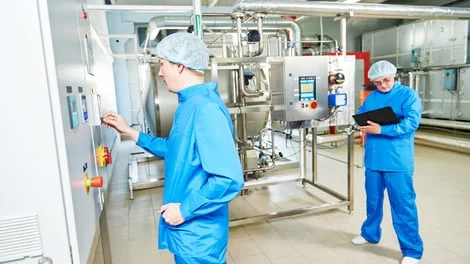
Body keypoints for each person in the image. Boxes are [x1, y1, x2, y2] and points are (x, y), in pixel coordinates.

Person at [102, 32, 244, 264]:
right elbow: (175, 150)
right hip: (187, 232)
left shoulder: (205, 108)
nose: (159, 72)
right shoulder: (188, 103)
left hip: (198, 236)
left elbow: (228, 179)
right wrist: (129, 131)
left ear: (179, 66)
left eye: (162, 64)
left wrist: (185, 210)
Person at [352, 60, 424, 264]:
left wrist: (382, 130)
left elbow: (411, 123)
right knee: (373, 202)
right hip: (374, 160)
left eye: (386, 80)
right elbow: (362, 115)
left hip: (397, 161)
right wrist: (358, 123)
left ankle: (411, 250)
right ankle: (370, 234)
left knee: (403, 205)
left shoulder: (408, 95)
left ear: (394, 77)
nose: (383, 85)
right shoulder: (372, 98)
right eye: (377, 82)